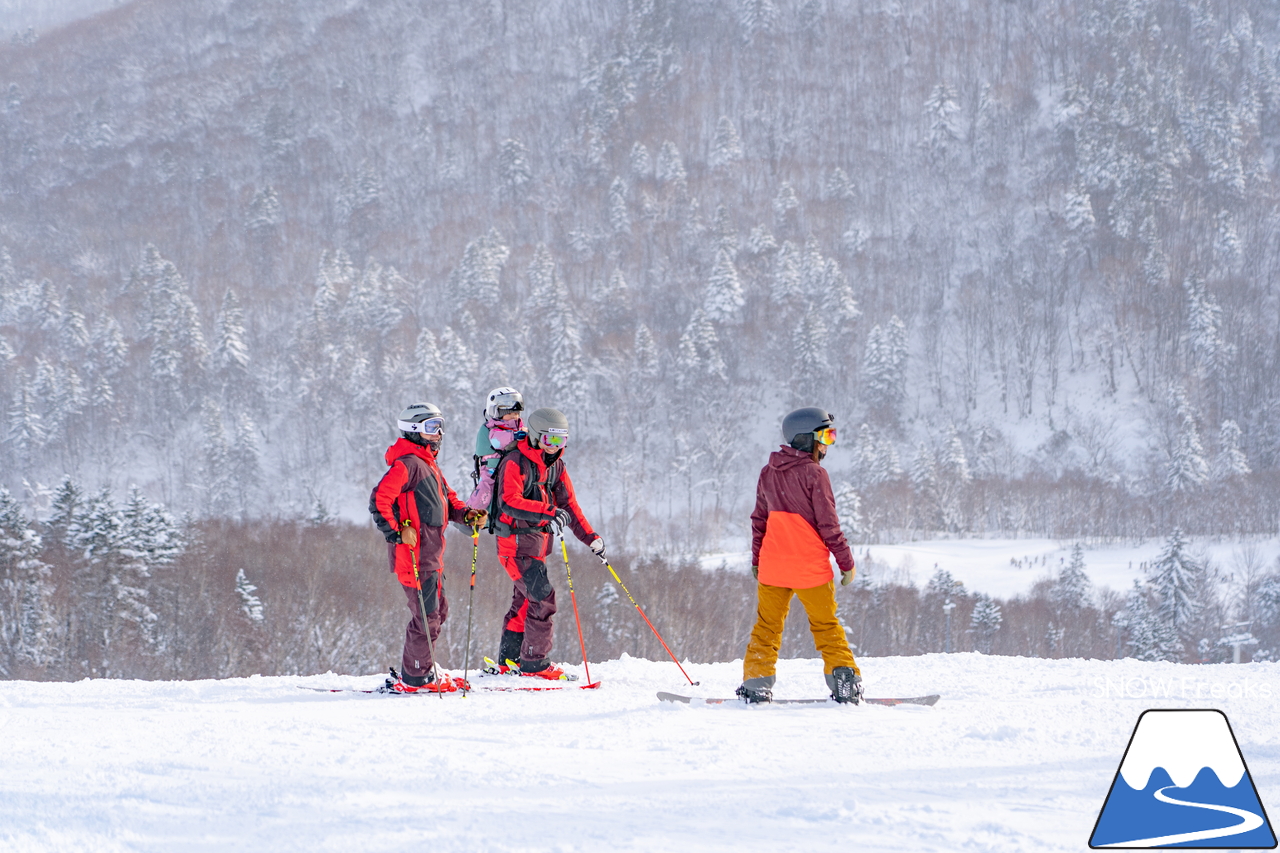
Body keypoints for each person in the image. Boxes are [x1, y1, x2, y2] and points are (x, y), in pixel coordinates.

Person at [738, 407, 862, 705]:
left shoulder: (768, 472)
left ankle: (756, 684)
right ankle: (843, 677)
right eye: (825, 437)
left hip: (773, 568)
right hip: (810, 569)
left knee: (767, 628)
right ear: (806, 439)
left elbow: (759, 521)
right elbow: (829, 525)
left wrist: (757, 559)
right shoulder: (815, 474)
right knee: (826, 626)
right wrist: (846, 562)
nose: (826, 445)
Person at [370, 403, 486, 693]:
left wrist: (467, 514)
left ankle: (419, 669)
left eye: (441, 426)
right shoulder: (407, 465)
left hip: (431, 557)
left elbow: (449, 499)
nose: (439, 434)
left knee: (437, 612)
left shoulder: (428, 465)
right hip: (413, 557)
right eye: (433, 427)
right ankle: (417, 676)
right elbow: (379, 501)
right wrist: (397, 532)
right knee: (427, 617)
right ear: (414, 430)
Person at [486, 407, 604, 679]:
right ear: (537, 436)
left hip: (536, 546)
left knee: (526, 602)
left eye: (561, 441)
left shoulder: (556, 466)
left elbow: (569, 506)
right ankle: (535, 663)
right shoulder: (515, 461)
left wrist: (591, 538)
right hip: (514, 545)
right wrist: (548, 512)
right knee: (543, 599)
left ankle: (510, 660)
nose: (555, 447)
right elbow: (509, 501)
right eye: (550, 440)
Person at [465, 386, 525, 511]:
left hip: (511, 463)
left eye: (516, 413)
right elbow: (498, 441)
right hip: (492, 466)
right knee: (486, 489)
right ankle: (472, 511)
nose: (514, 416)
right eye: (510, 414)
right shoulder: (494, 428)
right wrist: (514, 436)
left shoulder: (519, 426)